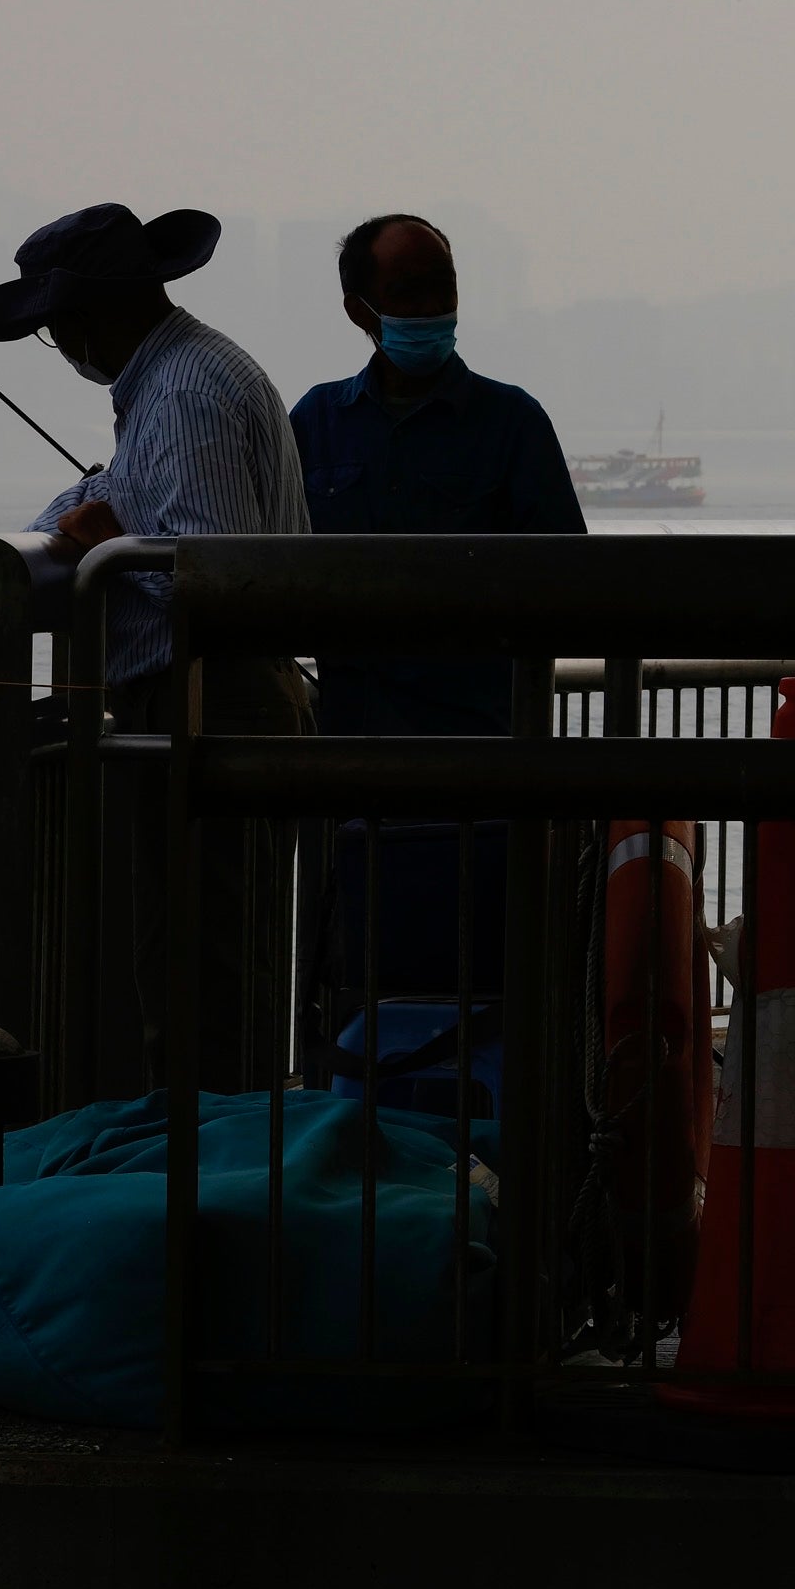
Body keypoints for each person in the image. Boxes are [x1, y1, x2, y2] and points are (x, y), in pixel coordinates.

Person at [0, 200, 309, 1083]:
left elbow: (218, 576)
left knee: (206, 974)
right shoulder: (180, 379)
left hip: (210, 700)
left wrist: (108, 552)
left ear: (89, 315)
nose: (62, 346)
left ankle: (205, 1182)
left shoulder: (187, 395)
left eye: (57, 327)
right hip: (215, 698)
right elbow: (109, 499)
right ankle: (205, 1161)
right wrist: (85, 528)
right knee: (194, 960)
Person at [284, 213, 584, 1105]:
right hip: (353, 776)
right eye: (409, 293)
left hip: (483, 771)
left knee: (488, 990)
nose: (430, 310)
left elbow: (569, 579)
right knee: (356, 990)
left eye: (441, 289)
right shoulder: (315, 424)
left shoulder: (511, 423)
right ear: (359, 309)